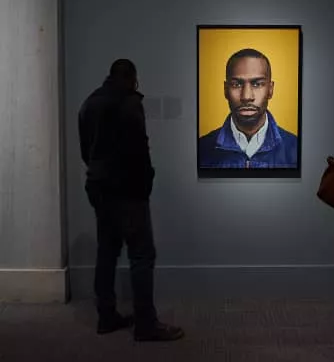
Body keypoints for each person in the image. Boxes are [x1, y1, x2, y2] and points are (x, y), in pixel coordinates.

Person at [78, 59, 184, 342]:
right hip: (127, 189)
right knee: (141, 254)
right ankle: (146, 324)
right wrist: (146, 181)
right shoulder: (128, 103)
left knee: (107, 251)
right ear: (132, 79)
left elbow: (86, 151)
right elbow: (140, 149)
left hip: (99, 186)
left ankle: (106, 316)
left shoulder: (90, 103)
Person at [199, 48, 298, 169]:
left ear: (270, 90)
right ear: (226, 90)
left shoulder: (295, 149)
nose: (246, 97)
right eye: (236, 84)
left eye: (257, 84)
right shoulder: (202, 149)